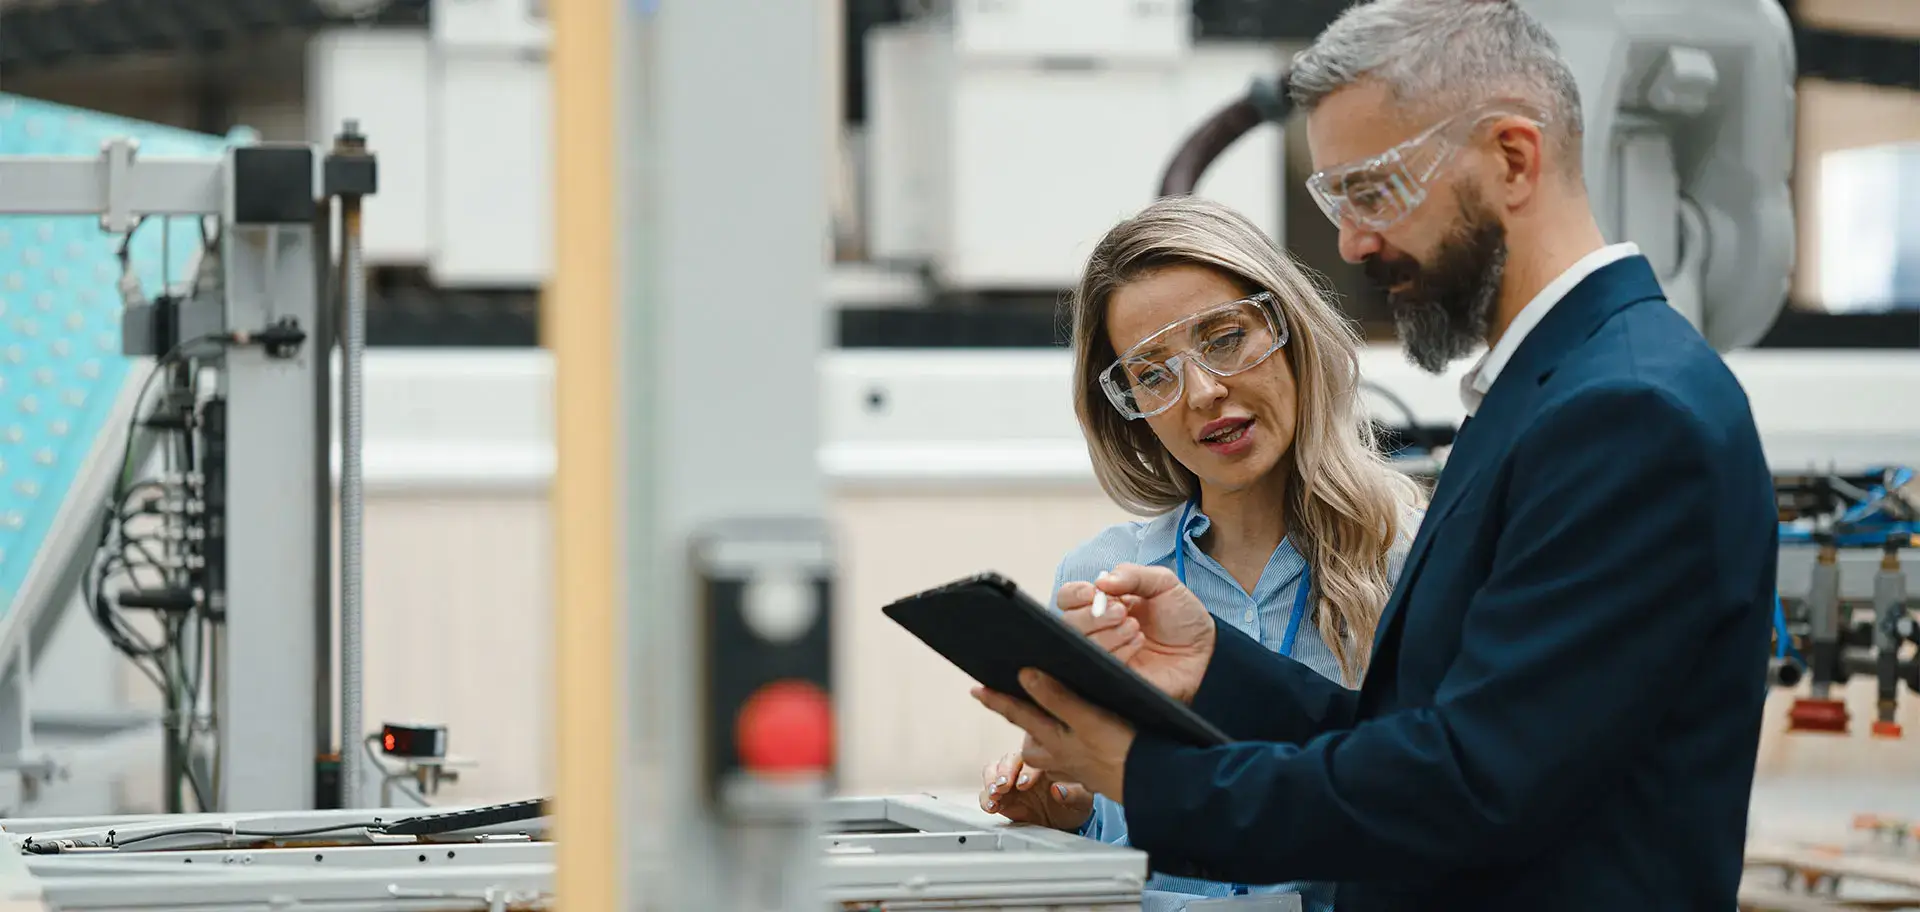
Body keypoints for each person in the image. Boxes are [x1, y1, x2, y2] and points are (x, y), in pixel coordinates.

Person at [970, 1, 1778, 910]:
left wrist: (1142, 774)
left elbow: (1470, 786)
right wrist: (1214, 670)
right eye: (1334, 200)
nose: (1353, 243)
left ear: (1513, 158)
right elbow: (1425, 735)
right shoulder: (1548, 394)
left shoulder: (1626, 412)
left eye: (1373, 191)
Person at [977, 196, 1426, 912]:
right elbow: (1125, 857)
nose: (1204, 392)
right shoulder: (1100, 579)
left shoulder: (1410, 560)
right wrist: (1075, 819)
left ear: (1289, 330)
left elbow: (1434, 817)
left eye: (1224, 338)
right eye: (1153, 373)